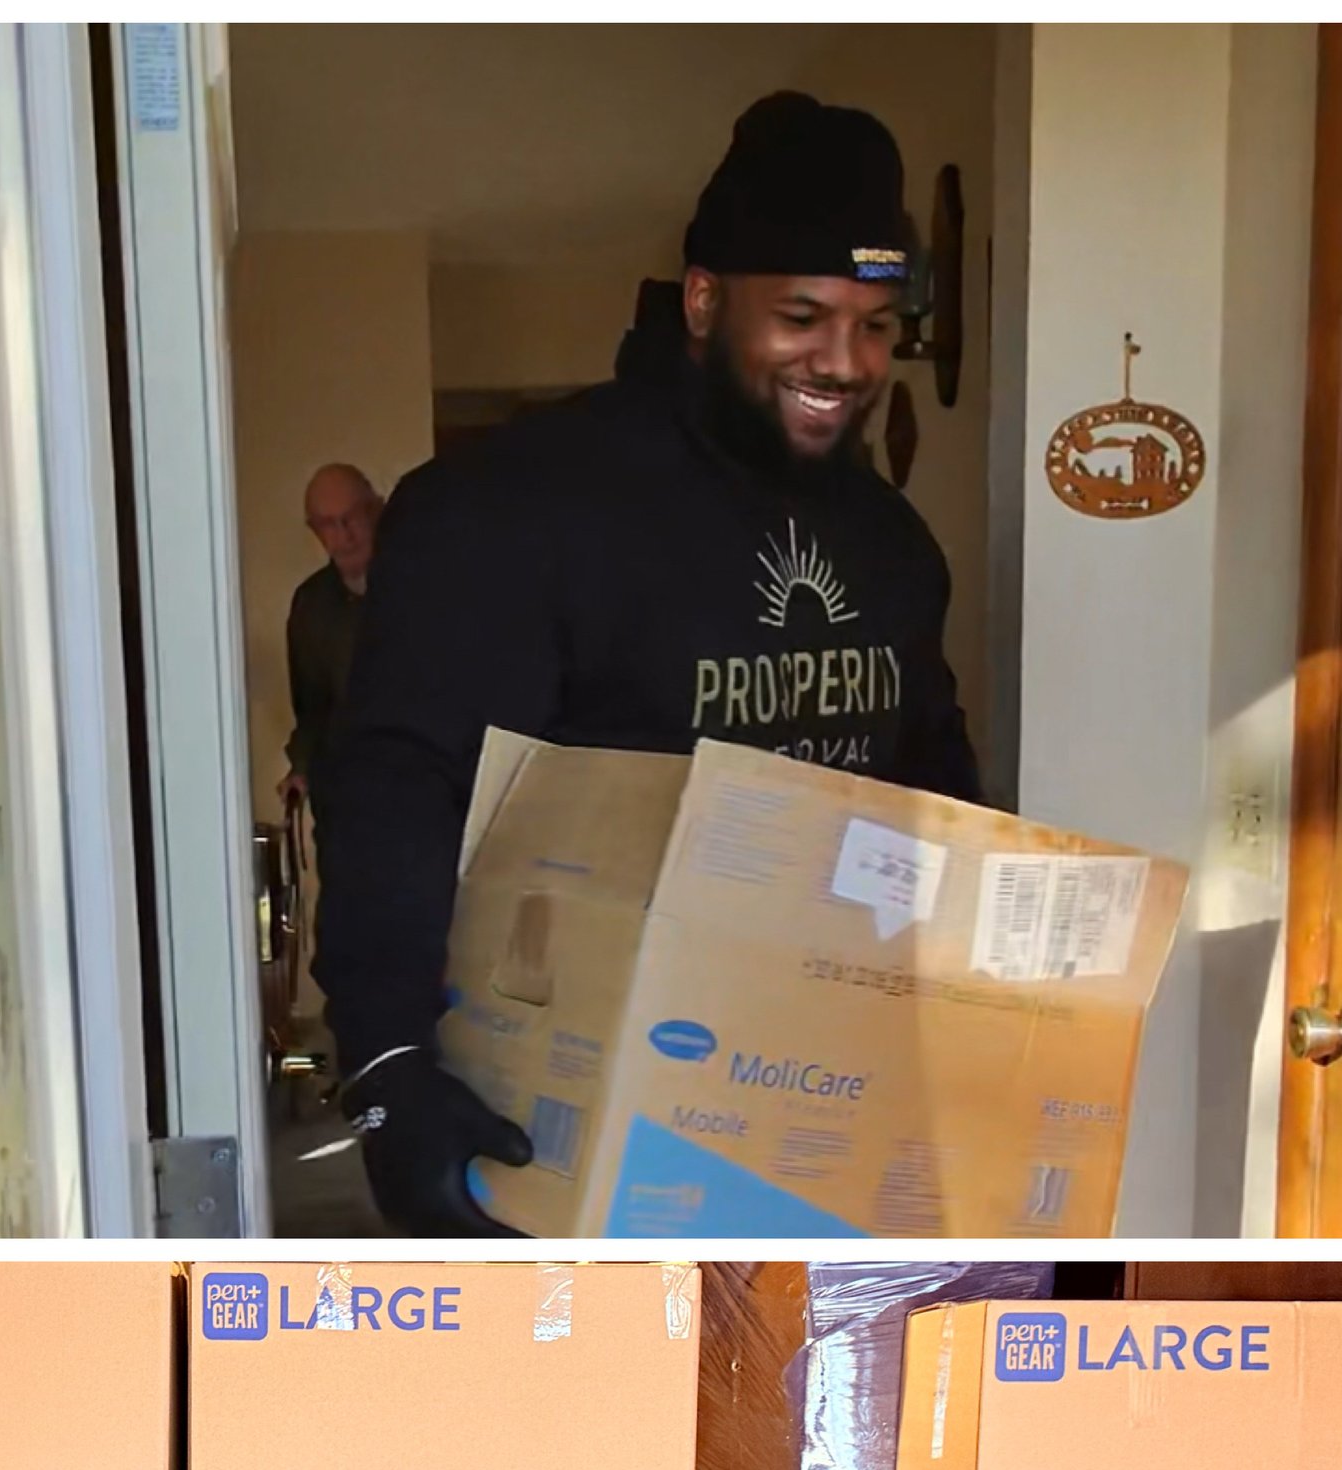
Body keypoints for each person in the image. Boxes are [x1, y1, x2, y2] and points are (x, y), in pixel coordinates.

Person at [312, 92, 980, 1235]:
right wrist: (385, 1067)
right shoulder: (512, 510)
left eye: (873, 325)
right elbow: (399, 784)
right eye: (804, 315)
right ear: (706, 299)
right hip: (561, 1133)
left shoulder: (889, 544)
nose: (844, 361)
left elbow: (935, 793)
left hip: (833, 1125)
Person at [277, 462, 384, 813]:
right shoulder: (311, 604)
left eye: (352, 517)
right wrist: (303, 768)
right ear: (314, 531)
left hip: (426, 790)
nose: (344, 535)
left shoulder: (419, 584)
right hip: (348, 795)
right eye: (328, 524)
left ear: (376, 511)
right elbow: (313, 709)